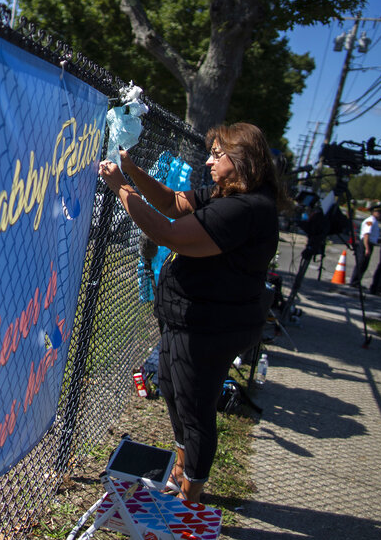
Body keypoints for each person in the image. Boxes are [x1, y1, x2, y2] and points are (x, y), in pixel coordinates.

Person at [98, 123, 282, 502]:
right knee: (171, 387)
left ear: (242, 159)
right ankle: (181, 469)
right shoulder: (227, 193)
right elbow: (172, 203)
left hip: (209, 326)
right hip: (188, 318)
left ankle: (190, 497)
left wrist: (121, 188)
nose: (209, 162)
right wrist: (132, 170)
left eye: (217, 155)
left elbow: (169, 233)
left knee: (194, 406)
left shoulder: (245, 209)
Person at [349, 204, 381, 289]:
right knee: (361, 263)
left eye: (380, 212)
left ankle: (357, 281)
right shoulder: (370, 221)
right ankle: (354, 282)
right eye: (377, 212)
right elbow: (366, 235)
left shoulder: (374, 221)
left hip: (368, 243)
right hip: (365, 244)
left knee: (364, 264)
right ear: (372, 212)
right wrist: (367, 248)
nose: (379, 213)